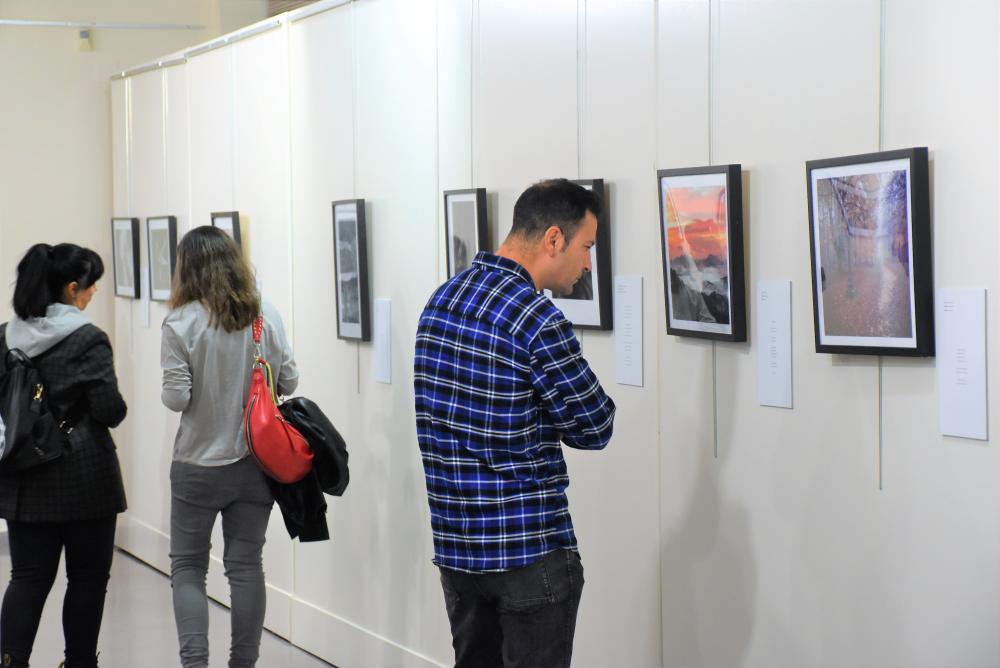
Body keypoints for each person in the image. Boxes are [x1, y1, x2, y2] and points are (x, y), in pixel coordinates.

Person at [414, 179, 616, 667]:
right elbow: (596, 426)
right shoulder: (537, 319)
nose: (588, 263)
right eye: (586, 246)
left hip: (458, 551)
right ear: (553, 239)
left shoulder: (440, 303)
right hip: (529, 552)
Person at [160, 226, 297, 668]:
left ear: (188, 269)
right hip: (255, 465)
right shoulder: (264, 315)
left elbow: (176, 398)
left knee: (187, 567)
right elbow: (290, 380)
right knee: (245, 567)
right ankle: (243, 663)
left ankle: (195, 663)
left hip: (197, 466)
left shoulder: (180, 323)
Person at [0, 243, 128, 668]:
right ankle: (78, 663)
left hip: (23, 475)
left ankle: (10, 660)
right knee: (87, 581)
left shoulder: (6, 336)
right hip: (84, 479)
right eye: (91, 288)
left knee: (27, 579)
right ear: (74, 288)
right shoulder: (88, 339)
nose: (93, 295)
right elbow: (110, 410)